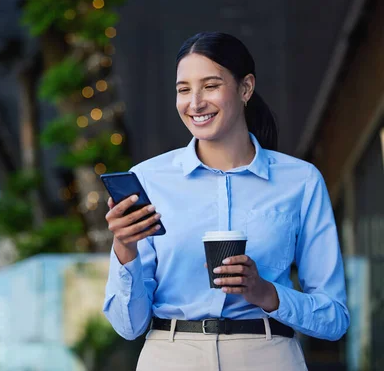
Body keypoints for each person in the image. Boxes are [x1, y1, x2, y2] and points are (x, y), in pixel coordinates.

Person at [102, 32, 349, 371]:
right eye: (184, 89)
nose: (195, 102)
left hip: (268, 356)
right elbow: (128, 327)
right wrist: (125, 249)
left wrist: (266, 293)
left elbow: (334, 319)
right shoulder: (149, 179)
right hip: (170, 357)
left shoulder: (301, 181)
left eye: (211, 85)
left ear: (246, 88)